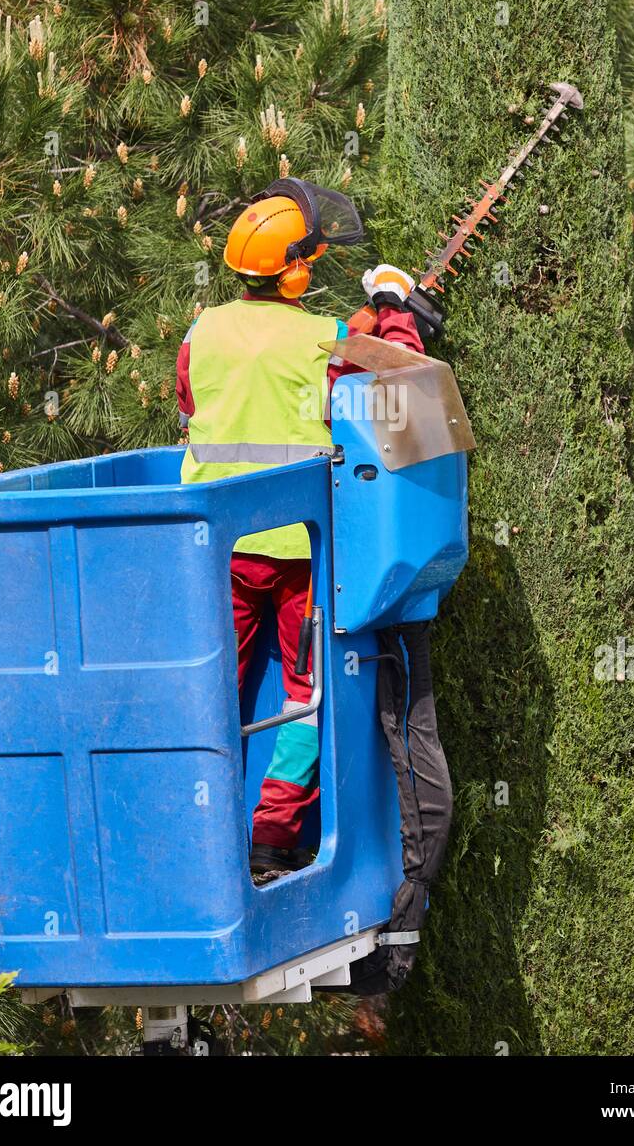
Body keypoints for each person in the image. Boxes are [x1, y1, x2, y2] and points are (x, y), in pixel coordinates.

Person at [176, 179, 423, 878]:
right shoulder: (323, 340)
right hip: (302, 550)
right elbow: (398, 376)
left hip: (214, 546)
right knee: (304, 692)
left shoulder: (203, 331)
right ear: (294, 271)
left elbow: (197, 398)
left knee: (210, 683)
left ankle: (199, 829)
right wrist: (393, 311)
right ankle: (275, 834)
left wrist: (353, 325)